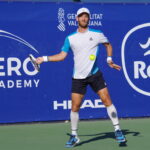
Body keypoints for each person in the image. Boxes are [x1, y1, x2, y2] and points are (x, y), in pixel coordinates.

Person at [36, 7, 126, 148]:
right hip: (78, 78)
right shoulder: (70, 38)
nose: (84, 18)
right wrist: (44, 59)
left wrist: (109, 59)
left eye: (86, 16)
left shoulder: (97, 34)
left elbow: (108, 45)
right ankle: (74, 136)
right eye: (81, 16)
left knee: (106, 100)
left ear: (89, 18)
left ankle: (118, 130)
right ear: (76, 19)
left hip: (95, 74)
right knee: (75, 107)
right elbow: (62, 56)